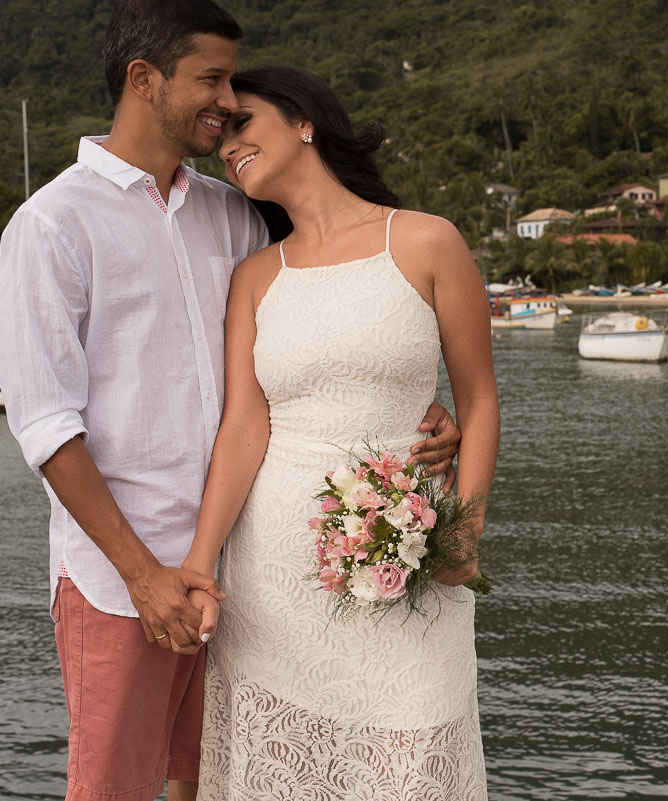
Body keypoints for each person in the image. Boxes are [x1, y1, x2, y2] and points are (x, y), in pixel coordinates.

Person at [0, 3, 461, 800]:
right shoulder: (51, 225)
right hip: (124, 579)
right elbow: (43, 422)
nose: (223, 99)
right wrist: (145, 575)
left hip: (243, 572)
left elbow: (318, 331)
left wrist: (416, 408)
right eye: (210, 78)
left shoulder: (234, 215)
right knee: (112, 788)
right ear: (144, 80)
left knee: (216, 780)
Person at [179, 64, 498, 798]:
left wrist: (463, 533)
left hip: (414, 563)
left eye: (244, 124)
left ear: (304, 122)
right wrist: (201, 563)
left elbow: (478, 401)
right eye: (220, 138)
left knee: (411, 761)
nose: (228, 146)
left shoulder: (425, 242)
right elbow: (242, 427)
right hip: (274, 579)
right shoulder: (256, 275)